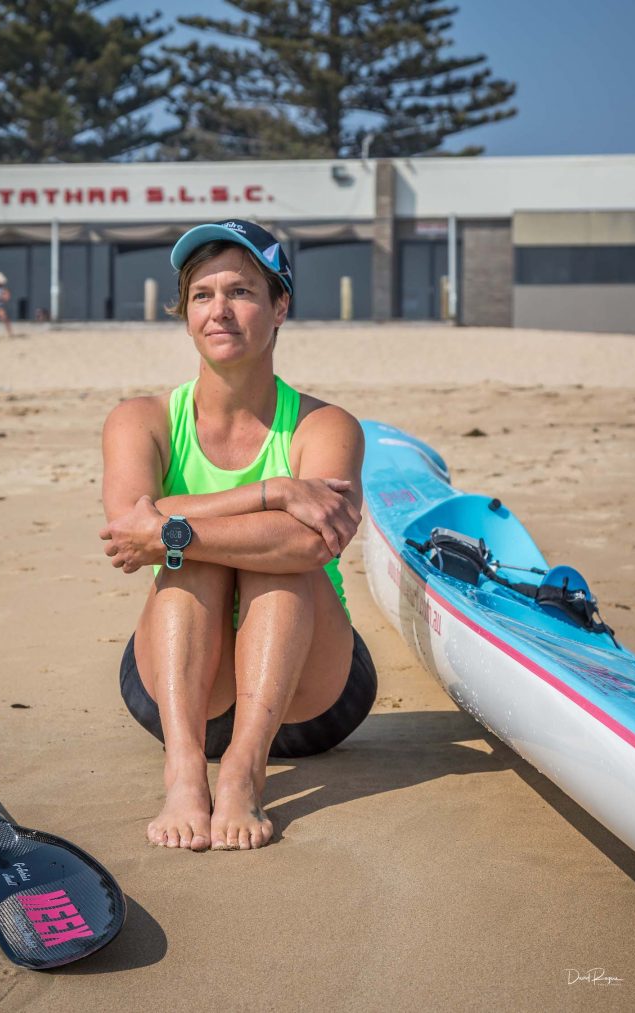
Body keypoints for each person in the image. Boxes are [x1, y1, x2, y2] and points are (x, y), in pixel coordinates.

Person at [100, 220, 376, 853]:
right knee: (187, 548)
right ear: (184, 312)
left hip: (311, 698)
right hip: (180, 698)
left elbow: (312, 546)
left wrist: (176, 525)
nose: (219, 310)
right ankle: (185, 774)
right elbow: (128, 529)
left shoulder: (324, 425)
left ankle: (245, 773)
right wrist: (271, 492)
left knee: (255, 553)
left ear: (280, 306)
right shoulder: (140, 420)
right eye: (202, 294)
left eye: (242, 292)